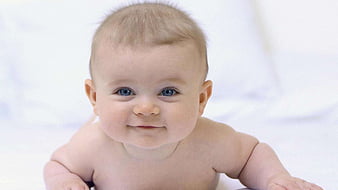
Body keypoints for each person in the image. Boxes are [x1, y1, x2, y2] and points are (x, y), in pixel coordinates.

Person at [43, 2, 323, 190]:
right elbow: (57, 164)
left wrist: (274, 179)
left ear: (201, 99)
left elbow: (251, 154)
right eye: (125, 91)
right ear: (94, 96)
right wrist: (65, 182)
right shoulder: (92, 145)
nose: (145, 108)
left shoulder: (211, 141)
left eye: (168, 92)